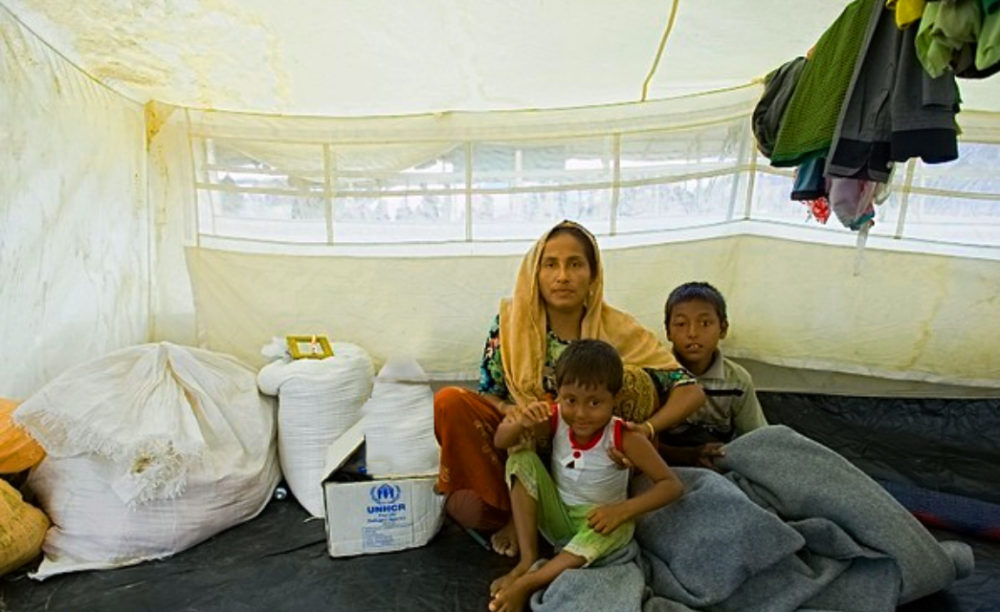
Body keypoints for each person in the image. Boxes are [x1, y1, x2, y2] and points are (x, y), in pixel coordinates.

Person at [433, 220, 704, 557]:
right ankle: (517, 508)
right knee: (451, 403)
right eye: (551, 264)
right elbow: (489, 391)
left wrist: (647, 429)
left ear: (592, 274)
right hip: (522, 441)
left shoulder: (618, 327)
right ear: (535, 272)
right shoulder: (509, 322)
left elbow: (689, 389)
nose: (563, 276)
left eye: (575, 264)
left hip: (595, 454)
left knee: (631, 381)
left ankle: (561, 508)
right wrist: (510, 410)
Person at [488, 339, 684, 612]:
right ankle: (528, 559)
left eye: (594, 402)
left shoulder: (623, 436)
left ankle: (528, 583)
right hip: (559, 518)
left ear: (613, 400)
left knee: (621, 527)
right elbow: (501, 441)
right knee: (521, 458)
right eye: (570, 400)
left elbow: (671, 485)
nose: (580, 413)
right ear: (558, 394)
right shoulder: (556, 420)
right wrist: (521, 421)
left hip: (600, 524)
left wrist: (622, 510)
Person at [659, 281, 768, 468]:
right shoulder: (657, 376)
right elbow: (643, 441)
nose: (692, 333)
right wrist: (687, 456)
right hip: (669, 465)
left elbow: (756, 437)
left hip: (723, 462)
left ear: (723, 328)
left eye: (704, 323)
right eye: (681, 324)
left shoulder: (737, 380)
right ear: (668, 331)